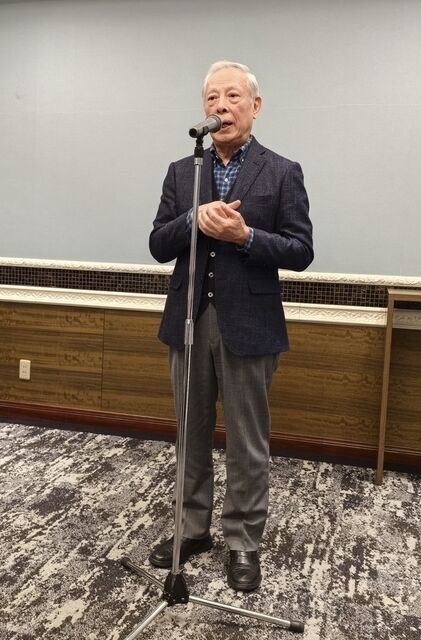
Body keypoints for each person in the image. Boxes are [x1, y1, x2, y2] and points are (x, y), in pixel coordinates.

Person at [149, 60, 313, 592]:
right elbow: (157, 244)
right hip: (189, 320)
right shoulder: (183, 171)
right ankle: (191, 529)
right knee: (190, 433)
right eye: (212, 97)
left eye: (233, 96)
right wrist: (192, 220)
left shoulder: (282, 171)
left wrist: (246, 236)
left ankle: (243, 541)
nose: (221, 106)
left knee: (247, 440)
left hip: (251, 323)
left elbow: (301, 251)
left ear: (255, 106)